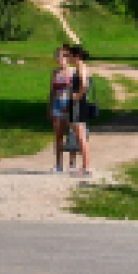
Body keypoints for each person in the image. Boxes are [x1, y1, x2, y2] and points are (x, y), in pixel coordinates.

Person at [67, 44, 94, 176]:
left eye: (70, 56)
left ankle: (86, 167)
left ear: (76, 56)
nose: (69, 58)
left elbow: (84, 84)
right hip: (76, 104)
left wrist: (77, 95)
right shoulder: (79, 67)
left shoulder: (82, 68)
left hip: (78, 104)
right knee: (79, 135)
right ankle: (85, 166)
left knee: (81, 136)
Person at [50, 46, 76, 172]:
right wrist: (50, 107)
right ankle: (59, 164)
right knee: (58, 135)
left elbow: (78, 89)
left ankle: (72, 164)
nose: (60, 59)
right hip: (57, 104)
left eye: (62, 56)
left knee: (71, 134)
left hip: (69, 103)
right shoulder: (55, 73)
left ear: (67, 58)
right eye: (58, 56)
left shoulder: (73, 72)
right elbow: (51, 91)